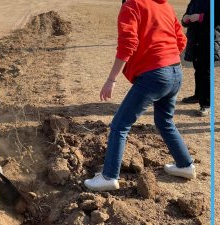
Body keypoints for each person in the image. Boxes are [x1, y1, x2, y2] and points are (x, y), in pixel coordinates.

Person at [84, 0, 196, 192]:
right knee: (165, 121)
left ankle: (109, 176)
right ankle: (185, 165)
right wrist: (165, 59)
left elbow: (127, 44)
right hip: (175, 72)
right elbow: (181, 40)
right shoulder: (165, 6)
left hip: (155, 75)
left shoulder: (132, 5)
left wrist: (111, 80)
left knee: (120, 125)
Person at [180, 0, 210, 116]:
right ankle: (198, 95)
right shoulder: (194, 1)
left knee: (206, 72)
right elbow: (185, 20)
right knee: (198, 69)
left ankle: (206, 104)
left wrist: (201, 17)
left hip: (209, 40)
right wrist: (185, 19)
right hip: (195, 39)